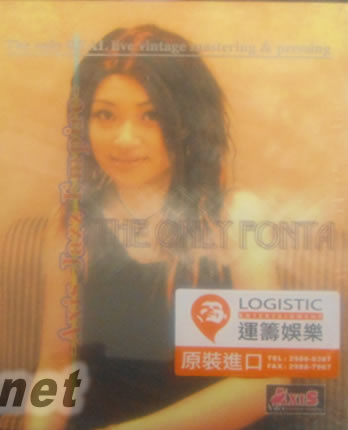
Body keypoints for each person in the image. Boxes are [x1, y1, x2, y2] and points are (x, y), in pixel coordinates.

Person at [25, 24, 284, 430]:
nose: (124, 139)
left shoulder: (237, 216)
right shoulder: (71, 223)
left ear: (188, 121)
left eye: (151, 115)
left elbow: (265, 380)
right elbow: (56, 364)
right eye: (105, 114)